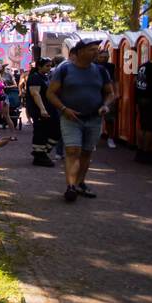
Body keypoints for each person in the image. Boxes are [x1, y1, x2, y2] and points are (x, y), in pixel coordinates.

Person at [46, 36, 116, 202]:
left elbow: (110, 92)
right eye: (92, 50)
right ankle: (70, 186)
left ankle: (80, 183)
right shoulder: (64, 70)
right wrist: (63, 108)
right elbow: (50, 93)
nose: (96, 53)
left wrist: (106, 105)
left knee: (86, 152)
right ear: (80, 51)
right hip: (70, 117)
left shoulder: (101, 71)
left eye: (97, 50)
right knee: (72, 150)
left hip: (94, 118)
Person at [25, 57, 56, 166]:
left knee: (52, 131)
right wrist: (42, 109)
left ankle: (41, 153)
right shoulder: (35, 78)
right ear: (39, 66)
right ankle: (40, 155)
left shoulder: (44, 77)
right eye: (47, 66)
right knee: (41, 132)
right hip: (39, 110)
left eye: (50, 65)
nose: (49, 68)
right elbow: (35, 94)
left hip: (47, 109)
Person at [94, 48, 118, 149]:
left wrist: (116, 92)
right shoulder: (93, 66)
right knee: (95, 118)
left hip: (108, 94)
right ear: (97, 57)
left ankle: (110, 138)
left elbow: (115, 79)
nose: (104, 59)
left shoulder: (111, 66)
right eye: (101, 57)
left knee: (110, 118)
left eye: (106, 57)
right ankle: (93, 141)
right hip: (96, 94)